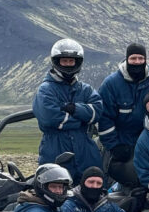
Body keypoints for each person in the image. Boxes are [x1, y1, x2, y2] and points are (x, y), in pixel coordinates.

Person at [33, 38, 104, 183]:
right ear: (56, 61)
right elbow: (49, 118)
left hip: (86, 152)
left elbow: (97, 111)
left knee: (92, 192)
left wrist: (74, 109)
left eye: (71, 61)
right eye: (64, 61)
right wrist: (81, 120)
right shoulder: (45, 90)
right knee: (55, 192)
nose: (68, 64)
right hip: (55, 149)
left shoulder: (86, 89)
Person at [98, 43, 149, 164]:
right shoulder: (111, 84)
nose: (137, 62)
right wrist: (114, 147)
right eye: (133, 58)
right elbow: (104, 118)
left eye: (140, 58)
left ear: (145, 60)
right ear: (127, 59)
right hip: (122, 144)